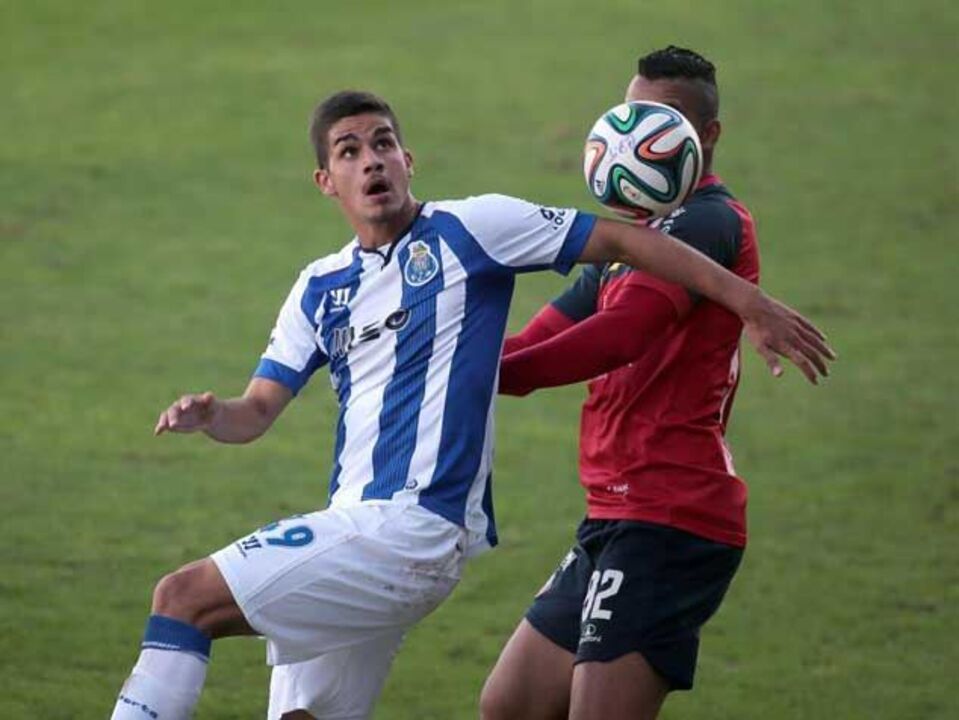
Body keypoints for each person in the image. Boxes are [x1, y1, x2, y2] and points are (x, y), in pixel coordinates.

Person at [109, 89, 832, 720]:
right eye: (350, 151)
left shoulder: (472, 228)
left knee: (181, 598)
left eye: (383, 144)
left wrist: (747, 300)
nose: (371, 161)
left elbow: (623, 240)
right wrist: (213, 415)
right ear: (326, 181)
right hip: (353, 528)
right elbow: (258, 410)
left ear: (408, 160)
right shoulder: (318, 287)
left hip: (410, 528)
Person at [480, 46, 784, 720]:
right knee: (510, 704)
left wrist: (477, 378)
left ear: (707, 136)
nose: (639, 134)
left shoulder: (708, 222)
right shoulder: (628, 246)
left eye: (663, 117)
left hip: (672, 513)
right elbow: (532, 344)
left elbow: (621, 335)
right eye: (631, 115)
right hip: (613, 511)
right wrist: (432, 364)